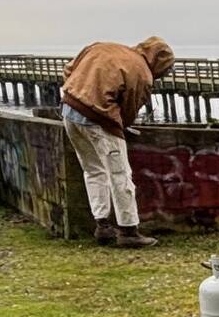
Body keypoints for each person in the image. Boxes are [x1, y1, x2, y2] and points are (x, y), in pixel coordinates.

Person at [59, 36, 175, 248]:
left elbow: (68, 71)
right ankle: (129, 230)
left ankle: (102, 225)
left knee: (93, 171)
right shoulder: (142, 73)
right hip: (99, 119)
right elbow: (130, 108)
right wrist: (119, 126)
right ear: (159, 63)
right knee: (120, 175)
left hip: (69, 111)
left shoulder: (100, 47)